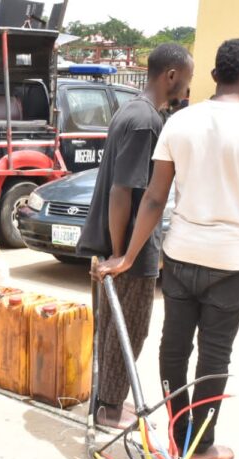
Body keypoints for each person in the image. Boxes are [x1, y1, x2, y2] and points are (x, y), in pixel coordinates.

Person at [96, 38, 239, 459]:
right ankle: (200, 445)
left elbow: (154, 199)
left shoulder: (179, 123)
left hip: (180, 257)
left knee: (173, 349)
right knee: (214, 355)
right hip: (234, 264)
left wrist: (126, 256)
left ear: (214, 75)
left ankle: (180, 436)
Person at [76, 43, 194, 429]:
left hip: (119, 243)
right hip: (128, 245)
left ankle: (105, 402)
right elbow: (122, 191)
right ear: (171, 75)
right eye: (187, 79)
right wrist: (121, 253)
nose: (187, 88)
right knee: (131, 328)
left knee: (113, 326)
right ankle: (110, 407)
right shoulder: (146, 122)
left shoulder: (131, 110)